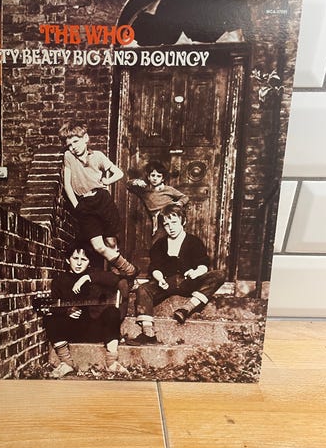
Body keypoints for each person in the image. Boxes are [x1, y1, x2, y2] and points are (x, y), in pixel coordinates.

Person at [126, 205, 225, 346]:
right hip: (167, 283)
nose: (171, 227)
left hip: (188, 282)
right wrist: (160, 278)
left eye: (174, 222)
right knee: (143, 289)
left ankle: (187, 308)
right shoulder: (160, 244)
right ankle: (148, 332)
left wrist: (196, 272)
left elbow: (203, 265)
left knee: (219, 275)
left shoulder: (194, 242)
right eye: (166, 224)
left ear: (183, 221)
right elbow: (155, 267)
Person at [59, 120, 138, 278]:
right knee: (98, 246)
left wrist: (107, 181)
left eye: (76, 142)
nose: (73, 147)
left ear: (85, 138)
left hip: (102, 200)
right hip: (84, 204)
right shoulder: (68, 156)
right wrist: (77, 206)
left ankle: (118, 277)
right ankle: (130, 270)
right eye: (69, 145)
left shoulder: (98, 156)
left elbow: (119, 173)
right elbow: (67, 185)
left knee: (111, 242)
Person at [42, 241, 129, 378]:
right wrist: (67, 311)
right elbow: (54, 306)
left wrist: (87, 277)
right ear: (68, 260)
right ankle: (66, 363)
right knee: (50, 317)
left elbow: (115, 279)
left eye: (83, 260)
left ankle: (112, 362)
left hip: (95, 329)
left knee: (112, 312)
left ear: (89, 263)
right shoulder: (59, 280)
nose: (78, 263)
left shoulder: (94, 275)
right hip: (72, 330)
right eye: (75, 258)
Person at [126, 161, 189, 241]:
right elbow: (128, 185)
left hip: (170, 216)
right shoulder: (144, 190)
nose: (155, 178)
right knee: (158, 240)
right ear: (148, 177)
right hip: (158, 219)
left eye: (158, 176)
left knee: (177, 236)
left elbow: (185, 197)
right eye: (153, 175)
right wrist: (136, 182)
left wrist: (179, 203)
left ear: (163, 179)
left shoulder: (168, 189)